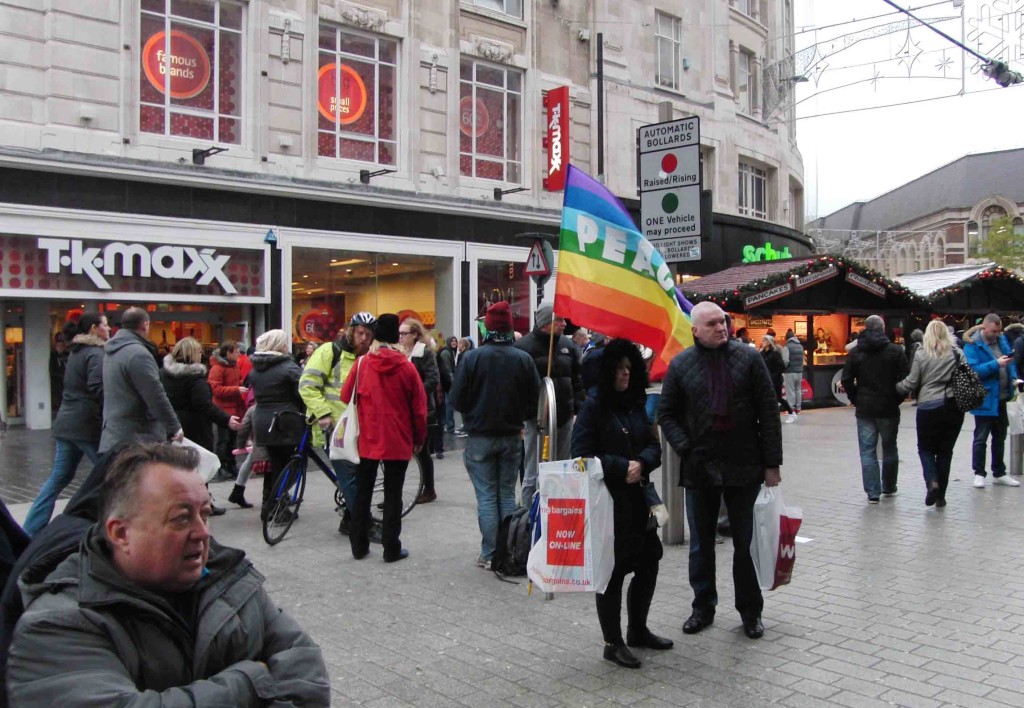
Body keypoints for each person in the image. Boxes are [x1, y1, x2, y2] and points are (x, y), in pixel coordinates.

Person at [6, 443, 331, 705]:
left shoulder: (230, 580)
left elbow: (307, 674)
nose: (203, 533)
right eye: (181, 518)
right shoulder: (57, 624)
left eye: (205, 513)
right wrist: (250, 680)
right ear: (120, 534)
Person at [658, 302, 782, 640]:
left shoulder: (749, 358)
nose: (721, 328)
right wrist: (685, 447)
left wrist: (772, 465)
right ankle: (702, 607)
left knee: (745, 543)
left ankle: (750, 612)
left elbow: (768, 413)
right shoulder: (682, 364)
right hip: (699, 465)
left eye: (723, 322)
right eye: (712, 324)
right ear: (695, 330)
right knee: (701, 544)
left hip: (744, 463)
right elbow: (666, 413)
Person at [571, 339, 671, 668]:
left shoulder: (635, 402)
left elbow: (653, 446)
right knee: (612, 571)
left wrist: (641, 463)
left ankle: (637, 629)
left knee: (648, 561)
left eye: (630, 368)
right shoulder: (594, 406)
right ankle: (612, 642)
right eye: (619, 369)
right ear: (606, 372)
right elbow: (580, 455)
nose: (626, 374)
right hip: (608, 501)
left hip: (639, 499)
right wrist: (618, 466)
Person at [450, 302, 540, 570]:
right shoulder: (522, 359)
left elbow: (457, 399)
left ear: (487, 327)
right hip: (512, 434)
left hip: (480, 435)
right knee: (506, 494)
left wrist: (473, 413)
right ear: (510, 327)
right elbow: (534, 399)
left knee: (487, 496)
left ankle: (491, 552)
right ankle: (509, 549)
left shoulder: (472, 358)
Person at [340, 314, 427, 563]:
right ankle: (391, 548)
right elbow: (419, 410)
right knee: (393, 495)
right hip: (398, 439)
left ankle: (359, 546)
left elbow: (346, 396)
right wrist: (419, 437)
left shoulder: (362, 364)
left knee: (362, 493)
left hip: (367, 437)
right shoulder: (407, 367)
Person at [23, 314, 110, 537]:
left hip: (66, 422)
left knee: (59, 477)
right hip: (86, 425)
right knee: (111, 474)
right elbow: (98, 387)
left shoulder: (75, 351)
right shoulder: (95, 353)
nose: (109, 328)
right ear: (94, 328)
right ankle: (104, 523)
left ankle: (32, 528)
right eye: (105, 324)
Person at [298, 312, 375, 534]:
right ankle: (364, 524)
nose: (364, 339)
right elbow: (307, 385)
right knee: (350, 478)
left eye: (368, 335)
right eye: (360, 333)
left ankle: (349, 522)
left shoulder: (367, 359)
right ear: (351, 331)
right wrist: (322, 413)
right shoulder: (329, 352)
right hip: (334, 428)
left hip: (358, 428)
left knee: (356, 477)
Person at [160, 337, 240, 515]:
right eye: (198, 352)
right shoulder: (194, 378)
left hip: (173, 424)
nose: (200, 355)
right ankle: (202, 504)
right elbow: (204, 405)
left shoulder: (163, 374)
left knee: (177, 466)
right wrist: (226, 419)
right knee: (199, 467)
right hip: (195, 426)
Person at [515, 303, 584, 506]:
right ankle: (528, 516)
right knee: (532, 469)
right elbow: (519, 386)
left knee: (562, 467)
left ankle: (558, 509)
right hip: (536, 420)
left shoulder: (568, 346)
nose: (564, 324)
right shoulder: (524, 347)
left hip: (563, 417)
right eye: (559, 320)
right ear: (545, 322)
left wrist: (578, 408)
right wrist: (523, 416)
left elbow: (577, 380)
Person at [896, 320, 966, 507]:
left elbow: (911, 382)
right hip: (953, 408)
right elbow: (966, 376)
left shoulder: (921, 353)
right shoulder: (957, 353)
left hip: (928, 406)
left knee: (925, 449)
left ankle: (932, 481)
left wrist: (897, 387)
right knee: (945, 452)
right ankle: (941, 496)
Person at [840, 315, 910, 503]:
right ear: (883, 327)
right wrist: (897, 398)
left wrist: (855, 398)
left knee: (867, 450)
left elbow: (846, 379)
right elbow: (905, 378)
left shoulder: (856, 352)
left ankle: (872, 492)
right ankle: (889, 485)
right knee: (889, 447)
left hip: (865, 407)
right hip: (888, 406)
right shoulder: (895, 351)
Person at [99, 307, 182, 453]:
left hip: (115, 433)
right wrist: (174, 426)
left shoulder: (111, 351)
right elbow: (155, 394)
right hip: (138, 437)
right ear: (145, 325)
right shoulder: (138, 354)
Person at [248, 329, 306, 518]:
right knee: (291, 465)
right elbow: (304, 391)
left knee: (275, 465)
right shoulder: (288, 368)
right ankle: (276, 507)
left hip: (263, 421)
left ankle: (269, 505)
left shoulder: (255, 370)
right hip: (285, 421)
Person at [964, 313, 1022, 489]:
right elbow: (973, 371)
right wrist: (996, 364)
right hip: (985, 398)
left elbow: (1010, 362)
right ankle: (979, 473)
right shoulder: (973, 345)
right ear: (984, 327)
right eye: (993, 331)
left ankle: (999, 472)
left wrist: (1013, 377)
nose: (996, 334)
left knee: (1000, 436)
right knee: (981, 437)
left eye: (998, 331)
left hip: (1003, 397)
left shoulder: (1001, 340)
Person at [400, 317, 441, 503]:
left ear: (415, 335)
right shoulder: (399, 353)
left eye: (404, 333)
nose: (401, 337)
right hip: (401, 410)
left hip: (422, 408)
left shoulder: (423, 352)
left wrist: (416, 395)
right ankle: (394, 493)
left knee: (422, 451)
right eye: (399, 334)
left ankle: (429, 488)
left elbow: (433, 379)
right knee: (399, 452)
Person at [208, 340, 247, 482]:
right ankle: (220, 466)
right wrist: (236, 389)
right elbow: (216, 390)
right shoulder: (217, 368)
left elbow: (236, 382)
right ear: (229, 353)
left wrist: (241, 385)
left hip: (234, 408)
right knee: (222, 440)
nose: (239, 354)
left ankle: (231, 464)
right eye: (236, 352)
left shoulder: (233, 366)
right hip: (223, 410)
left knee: (232, 439)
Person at [759, 334, 792, 416]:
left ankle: (791, 412)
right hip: (765, 380)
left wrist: (774, 376)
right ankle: (769, 415)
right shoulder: (761, 354)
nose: (762, 342)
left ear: (769, 342)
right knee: (766, 398)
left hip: (775, 380)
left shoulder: (775, 354)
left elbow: (781, 367)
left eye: (764, 340)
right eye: (762, 340)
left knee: (778, 398)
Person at [782, 328, 804, 423]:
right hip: (799, 371)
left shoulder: (787, 346)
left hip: (790, 371)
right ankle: (798, 408)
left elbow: (786, 360)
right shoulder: (800, 346)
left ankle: (791, 409)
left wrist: (783, 368)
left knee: (790, 391)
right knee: (798, 390)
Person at [48, 333, 69, 416]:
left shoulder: (68, 355)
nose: (61, 347)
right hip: (58, 383)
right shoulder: (53, 356)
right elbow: (52, 371)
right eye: (59, 345)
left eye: (62, 345)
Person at [440, 336, 458, 433]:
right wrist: (453, 382)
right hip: (446, 383)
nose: (454, 343)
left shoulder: (450, 352)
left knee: (448, 405)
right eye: (452, 341)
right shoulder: (447, 353)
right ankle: (449, 426)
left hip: (446, 382)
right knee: (449, 405)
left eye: (455, 341)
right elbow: (447, 370)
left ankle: (448, 425)